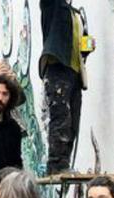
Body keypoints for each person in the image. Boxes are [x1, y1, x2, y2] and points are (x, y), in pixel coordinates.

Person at [39, 0, 89, 174]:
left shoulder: (77, 13)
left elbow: (80, 44)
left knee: (72, 121)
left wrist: (87, 45)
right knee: (61, 117)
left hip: (75, 72)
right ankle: (56, 165)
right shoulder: (53, 5)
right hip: (57, 67)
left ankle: (64, 164)